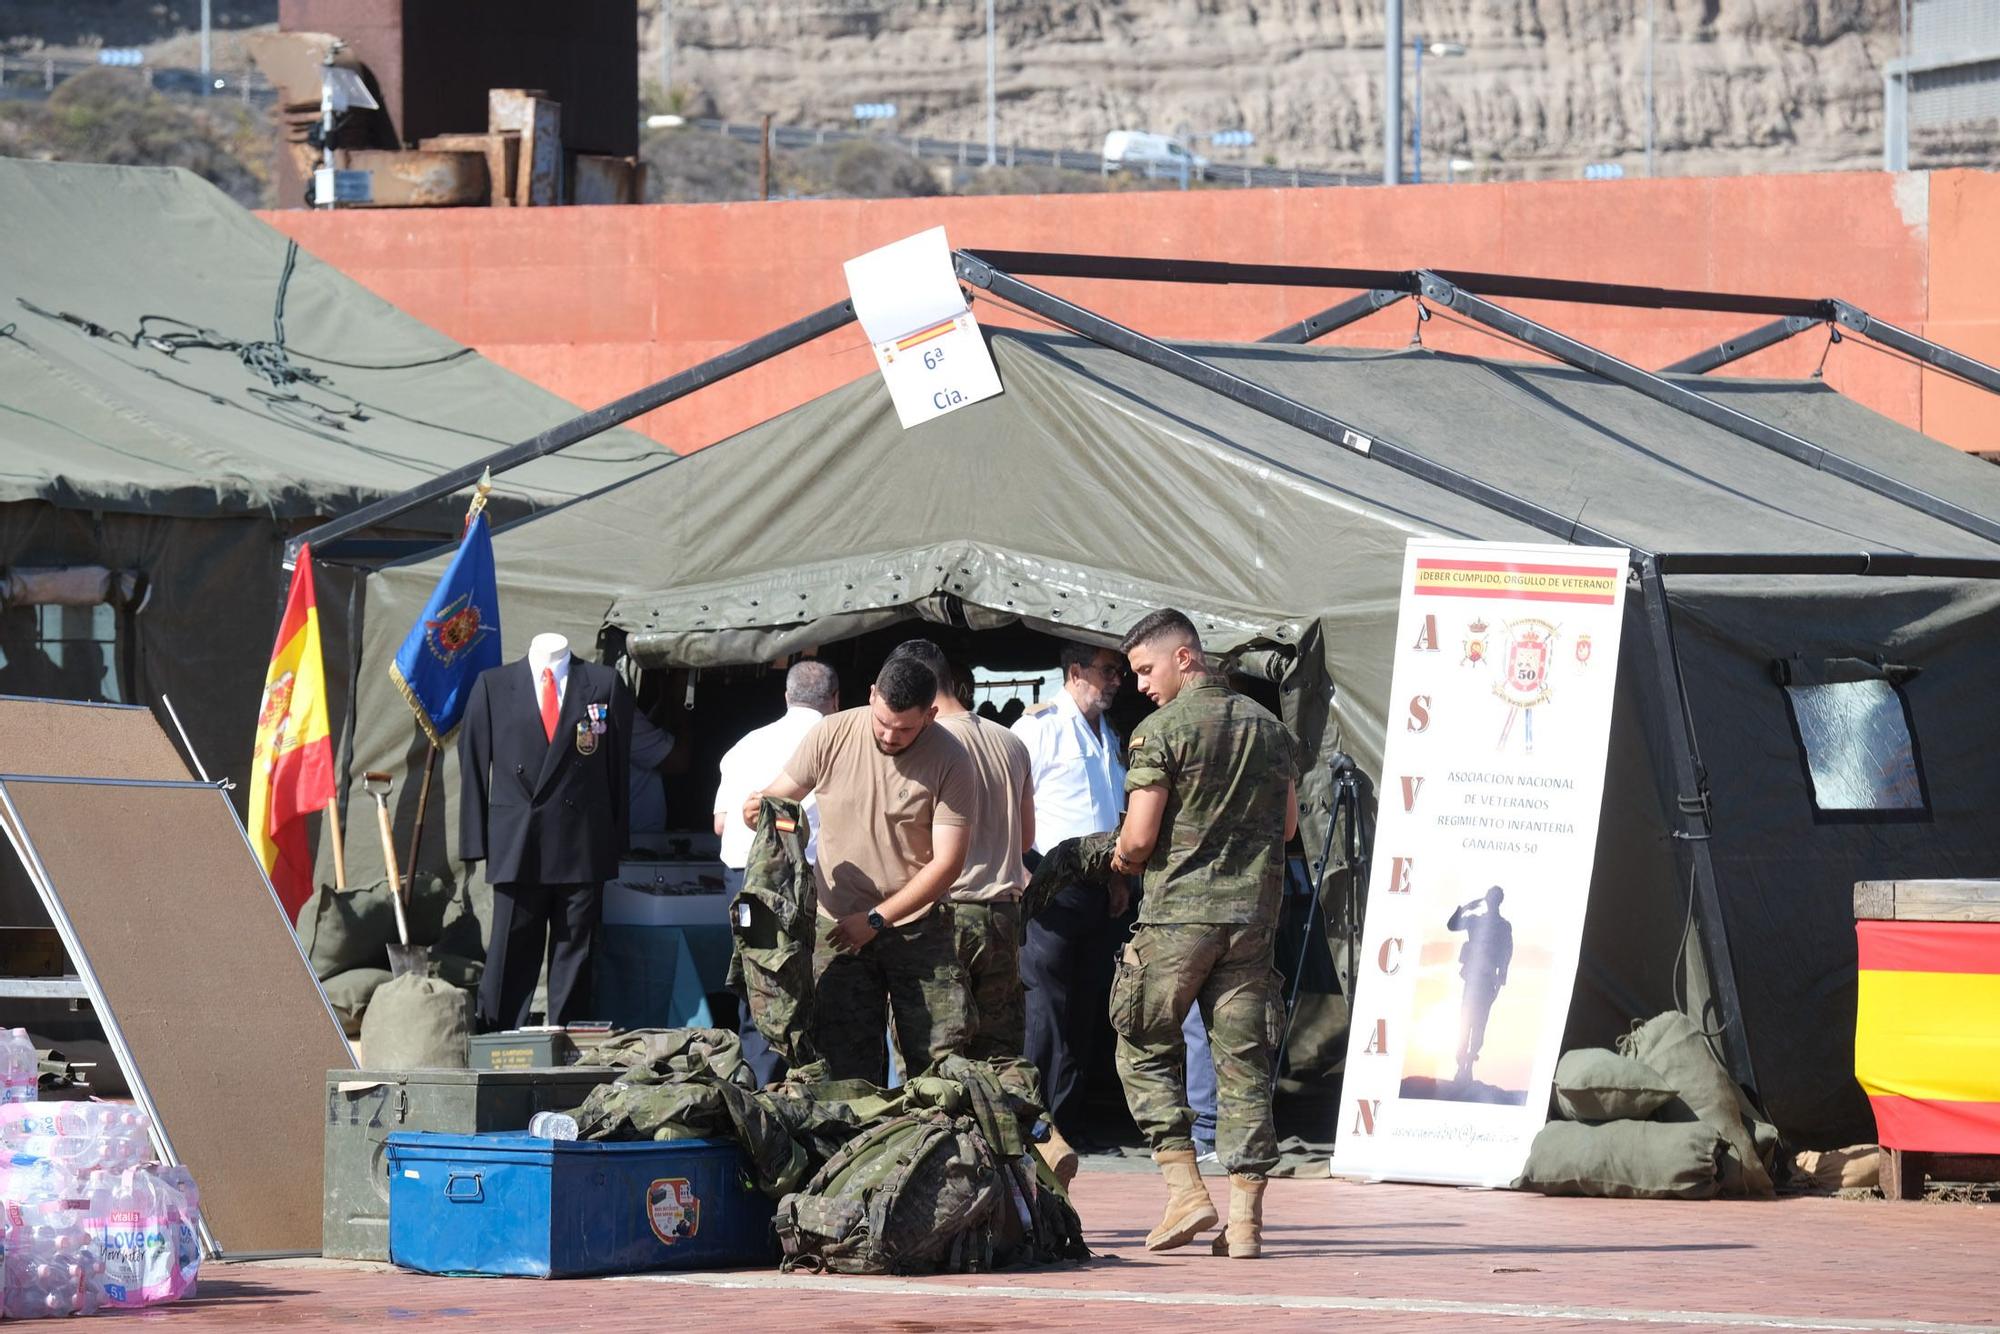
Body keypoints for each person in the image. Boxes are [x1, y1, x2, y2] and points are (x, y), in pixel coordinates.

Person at [1110, 609, 1297, 1260]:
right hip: (1253, 920)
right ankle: (1243, 1222)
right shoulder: (1272, 729)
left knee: (1141, 1042)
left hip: (1177, 920)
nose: (1138, 684)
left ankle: (1186, 1188)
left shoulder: (1159, 732)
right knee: (1243, 1063)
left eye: (1145, 668)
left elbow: (1137, 837)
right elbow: (1291, 827)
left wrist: (1122, 862)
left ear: (1185, 658)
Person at [745, 653, 975, 1083]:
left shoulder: (952, 759)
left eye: (904, 729)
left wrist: (876, 918)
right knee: (844, 1068)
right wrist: (759, 809)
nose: (889, 736)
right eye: (882, 722)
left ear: (930, 715)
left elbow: (948, 863)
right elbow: (781, 798)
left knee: (938, 1067)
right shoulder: (830, 733)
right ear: (871, 695)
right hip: (837, 928)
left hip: (918, 931)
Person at [885, 642, 1038, 1077]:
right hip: (1003, 915)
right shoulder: (1011, 741)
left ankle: (946, 1144)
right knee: (1001, 1055)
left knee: (934, 1063)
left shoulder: (927, 745)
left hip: (943, 915)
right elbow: (1026, 838)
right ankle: (1032, 1137)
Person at [1012, 641, 1131, 1160]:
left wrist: (1121, 879)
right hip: (1051, 881)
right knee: (1046, 1009)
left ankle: (1069, 1124)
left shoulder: (1110, 734)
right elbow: (1009, 802)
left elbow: (1114, 811)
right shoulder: (1037, 728)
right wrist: (1019, 870)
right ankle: (1034, 1127)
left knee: (1085, 1008)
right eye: (1108, 671)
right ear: (1075, 671)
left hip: (1102, 884)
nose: (1117, 681)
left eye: (1120, 673)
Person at [711, 660, 840, 1084]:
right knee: (815, 990)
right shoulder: (838, 740)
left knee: (758, 990)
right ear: (835, 701)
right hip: (810, 883)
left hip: (746, 882)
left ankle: (759, 1092)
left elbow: (720, 823)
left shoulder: (745, 744)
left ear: (786, 697)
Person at [1449, 885, 1513, 1084]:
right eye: (1490, 897)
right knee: (1466, 1021)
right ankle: (1462, 1066)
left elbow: (1506, 952)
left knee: (1478, 1024)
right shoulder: (1475, 921)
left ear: (1498, 900)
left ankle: (1468, 1066)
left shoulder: (1503, 925)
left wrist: (1501, 977)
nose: (1491, 900)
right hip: (1474, 977)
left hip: (1486, 979)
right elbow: (1452, 925)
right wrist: (1466, 907)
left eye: (1494, 898)